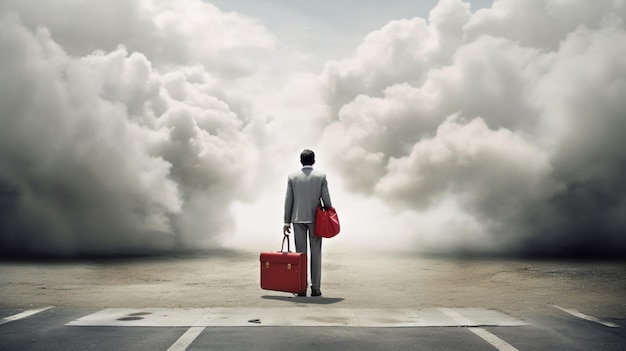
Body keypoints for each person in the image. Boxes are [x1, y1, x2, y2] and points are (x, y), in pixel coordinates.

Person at [283, 149, 332, 297]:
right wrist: (328, 211)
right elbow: (327, 200)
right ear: (314, 161)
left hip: (297, 219)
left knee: (301, 255)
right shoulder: (321, 176)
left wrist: (286, 222)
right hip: (316, 219)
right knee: (316, 253)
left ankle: (301, 288)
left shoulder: (292, 177)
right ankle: (315, 288)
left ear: (300, 161)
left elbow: (288, 200)